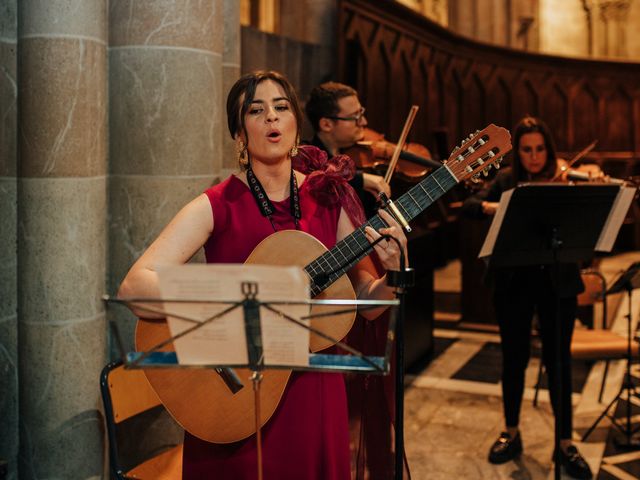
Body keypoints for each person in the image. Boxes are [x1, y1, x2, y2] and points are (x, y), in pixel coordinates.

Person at [117, 70, 407, 480]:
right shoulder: (217, 203)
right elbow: (135, 285)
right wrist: (241, 296)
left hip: (312, 390)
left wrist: (392, 276)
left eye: (281, 107)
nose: (271, 118)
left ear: (295, 125)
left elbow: (368, 305)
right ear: (240, 133)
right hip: (233, 389)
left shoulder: (330, 197)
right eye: (256, 110)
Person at [462, 116, 593, 479]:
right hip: (514, 283)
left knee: (560, 363)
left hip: (558, 282)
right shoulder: (507, 181)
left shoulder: (564, 181)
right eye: (526, 150)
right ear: (518, 153)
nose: (534, 157)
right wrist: (495, 207)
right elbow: (471, 205)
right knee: (514, 359)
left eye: (540, 149)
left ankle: (565, 443)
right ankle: (512, 432)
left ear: (548, 150)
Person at [304, 81, 390, 217]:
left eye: (361, 113)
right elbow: (320, 175)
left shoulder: (356, 156)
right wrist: (360, 179)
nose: (363, 122)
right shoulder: (307, 158)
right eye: (355, 117)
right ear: (326, 124)